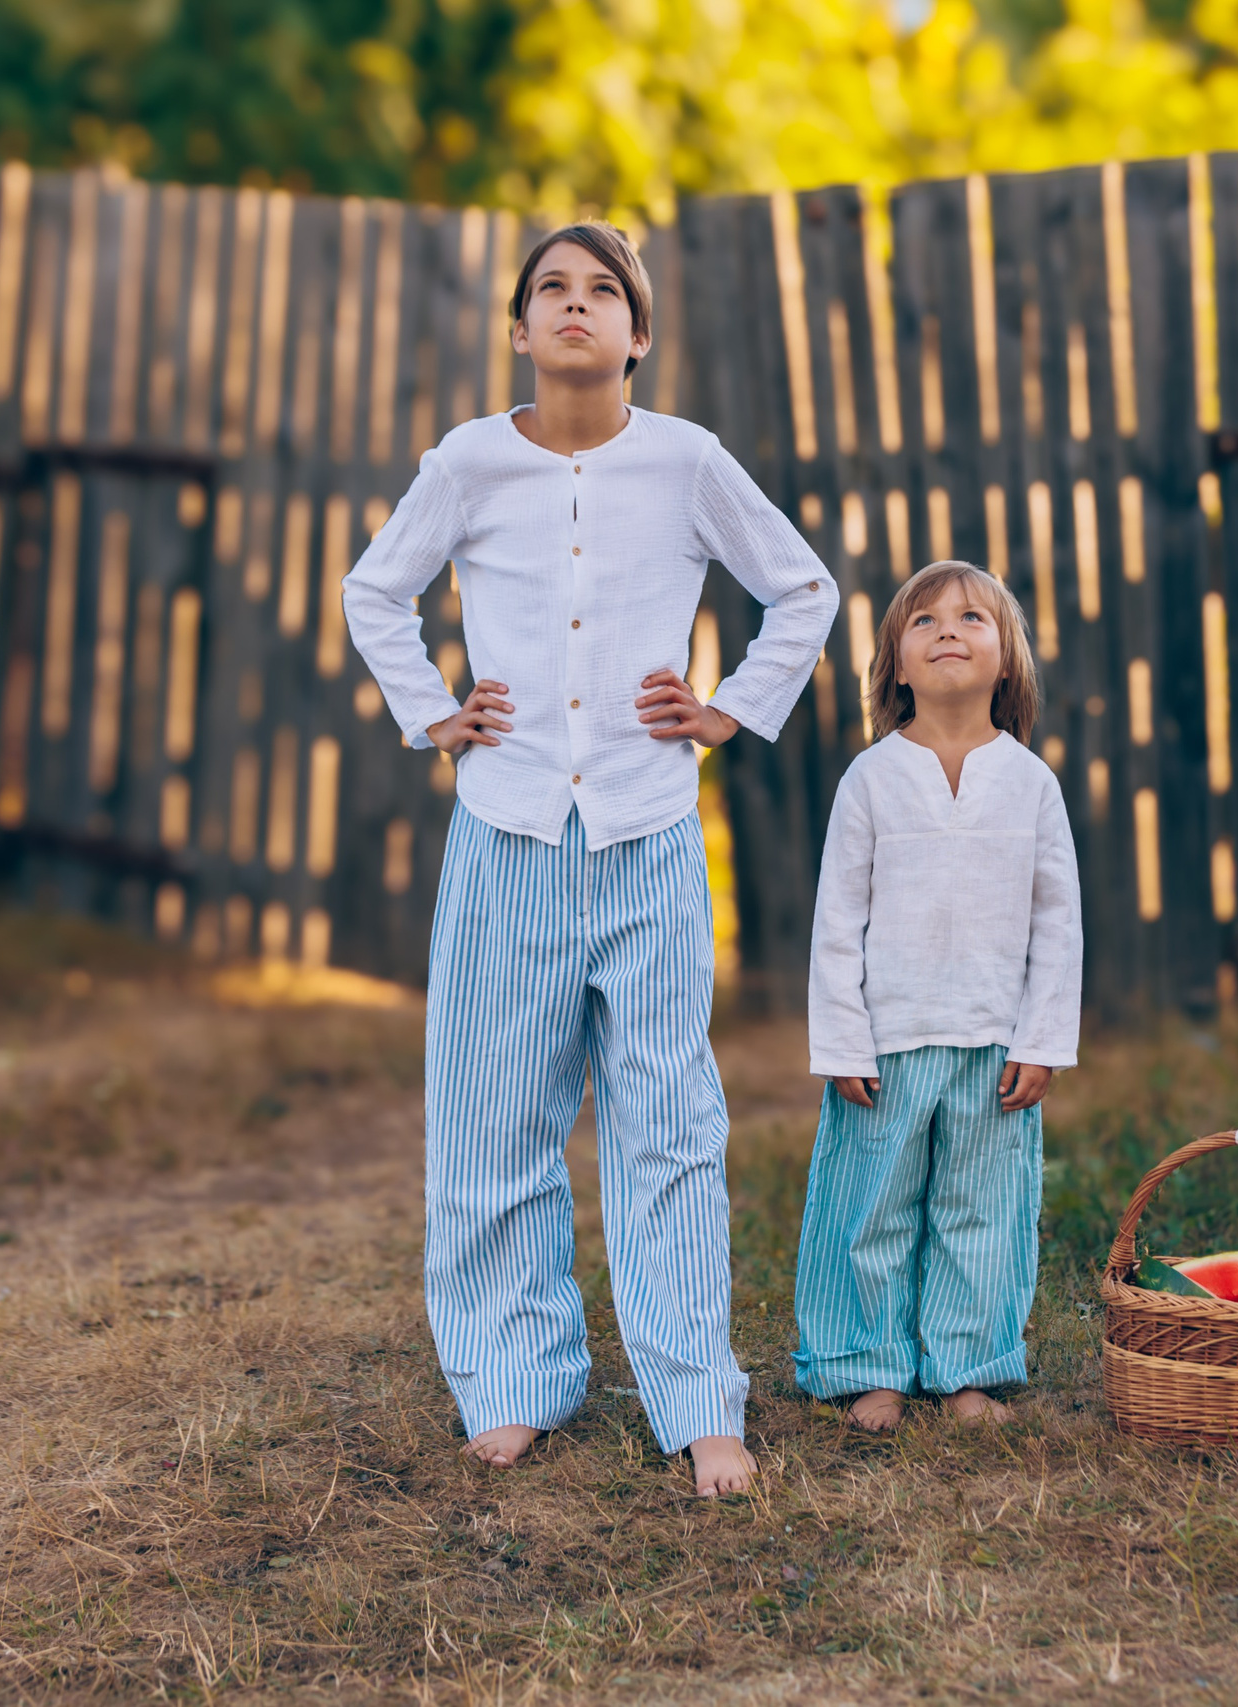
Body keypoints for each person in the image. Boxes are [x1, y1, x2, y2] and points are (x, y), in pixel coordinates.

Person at [341, 221, 837, 1496]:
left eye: (601, 291)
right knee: (493, 1119)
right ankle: (512, 1381)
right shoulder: (466, 463)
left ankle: (694, 1397)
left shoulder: (687, 463)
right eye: (550, 290)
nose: (576, 306)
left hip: (647, 835)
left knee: (668, 1121)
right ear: (519, 329)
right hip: (504, 832)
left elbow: (804, 590)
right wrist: (431, 712)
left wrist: (728, 709)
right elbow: (373, 592)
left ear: (638, 333)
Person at [794, 560, 1081, 1430]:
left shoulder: (1031, 783)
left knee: (983, 1212)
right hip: (887, 1041)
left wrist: (1043, 1040)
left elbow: (1057, 923)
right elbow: (837, 920)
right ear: (896, 665)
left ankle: (967, 1367)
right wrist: (842, 1040)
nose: (947, 629)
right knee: (868, 1208)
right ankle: (867, 1363)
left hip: (995, 1045)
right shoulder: (870, 780)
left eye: (970, 618)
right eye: (923, 622)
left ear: (1006, 662)